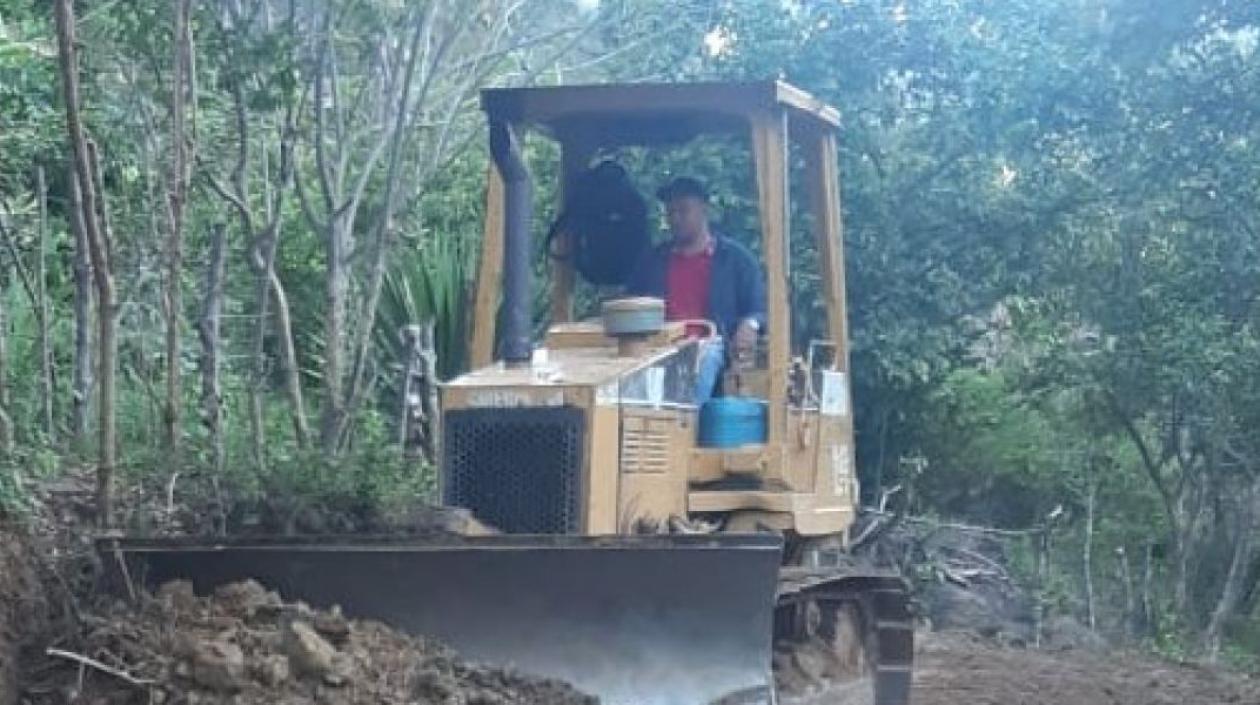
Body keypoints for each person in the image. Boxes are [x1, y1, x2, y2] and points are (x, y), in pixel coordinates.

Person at [625, 177, 766, 404]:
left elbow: (758, 308)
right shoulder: (652, 261)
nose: (676, 219)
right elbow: (631, 303)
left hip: (709, 344)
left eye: (683, 211)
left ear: (704, 210)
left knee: (704, 357)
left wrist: (750, 325)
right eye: (670, 213)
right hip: (657, 346)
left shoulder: (736, 260)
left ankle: (682, 424)